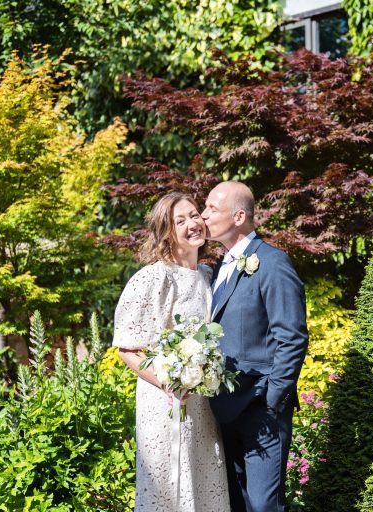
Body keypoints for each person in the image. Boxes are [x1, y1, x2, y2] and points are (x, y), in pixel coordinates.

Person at [112, 192, 230, 512]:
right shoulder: (153, 277)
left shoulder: (209, 276)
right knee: (169, 484)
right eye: (181, 220)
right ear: (166, 231)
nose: (193, 224)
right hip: (166, 402)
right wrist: (168, 381)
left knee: (205, 477)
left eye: (195, 215)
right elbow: (127, 348)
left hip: (204, 402)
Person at [202, 181, 309, 512]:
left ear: (238, 217)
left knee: (264, 506)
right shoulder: (218, 268)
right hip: (225, 409)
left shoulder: (273, 263)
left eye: (211, 209)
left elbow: (292, 336)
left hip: (261, 408)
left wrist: (273, 401)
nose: (202, 216)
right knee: (236, 503)